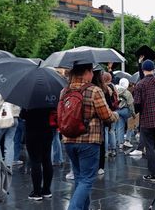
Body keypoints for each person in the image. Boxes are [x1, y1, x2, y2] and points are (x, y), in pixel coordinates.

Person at [62, 63, 118, 210]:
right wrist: (116, 116)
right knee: (87, 180)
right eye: (92, 72)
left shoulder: (64, 91)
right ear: (86, 72)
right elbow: (106, 115)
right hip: (89, 140)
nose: (93, 75)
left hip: (68, 139)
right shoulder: (94, 90)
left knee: (80, 178)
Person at [134, 59, 155, 182]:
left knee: (149, 147)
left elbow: (137, 104)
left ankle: (153, 174)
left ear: (143, 70)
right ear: (153, 69)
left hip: (147, 120)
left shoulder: (140, 85)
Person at [20, 108, 54, 201]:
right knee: (47, 160)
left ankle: (36, 192)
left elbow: (22, 115)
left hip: (32, 132)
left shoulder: (29, 100)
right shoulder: (48, 98)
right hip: (47, 132)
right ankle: (46, 190)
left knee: (35, 161)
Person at [0, 92, 20, 168]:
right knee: (9, 143)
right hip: (15, 119)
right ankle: (8, 166)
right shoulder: (18, 91)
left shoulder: (2, 91)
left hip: (3, 118)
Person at [115, 78, 134, 149]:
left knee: (120, 126)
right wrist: (133, 114)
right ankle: (127, 141)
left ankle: (120, 143)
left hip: (117, 110)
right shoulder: (127, 92)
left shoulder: (115, 90)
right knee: (130, 125)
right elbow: (130, 104)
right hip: (126, 110)